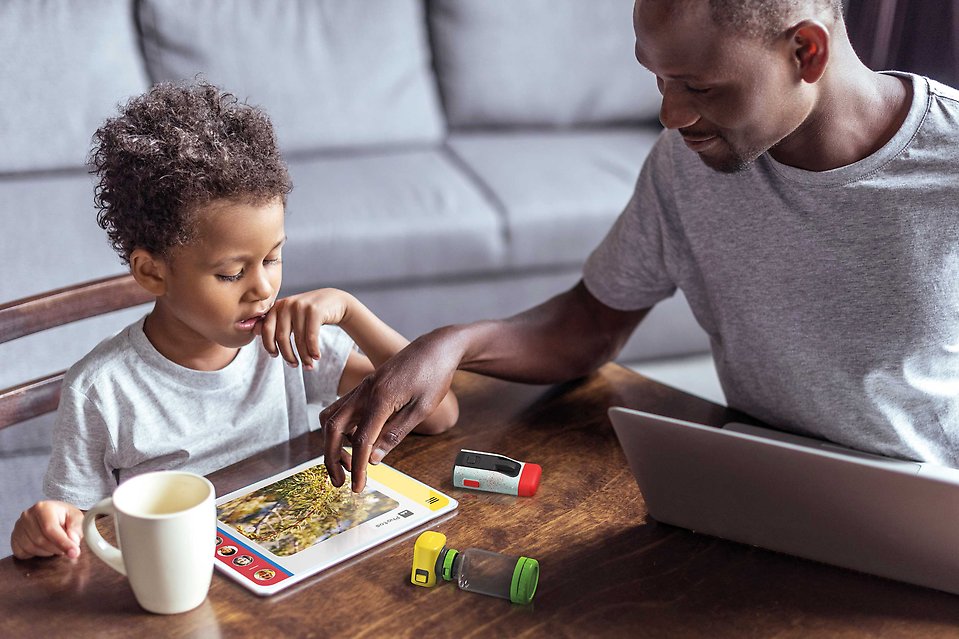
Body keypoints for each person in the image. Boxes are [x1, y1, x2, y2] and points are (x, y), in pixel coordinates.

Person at [321, 0, 959, 493]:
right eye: (657, 80)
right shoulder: (687, 166)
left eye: (698, 87)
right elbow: (593, 321)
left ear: (806, 52)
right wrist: (452, 343)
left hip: (925, 526)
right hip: (770, 496)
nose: (671, 115)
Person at [10, 82, 458, 560]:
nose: (263, 289)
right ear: (152, 272)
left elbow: (439, 412)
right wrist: (39, 532)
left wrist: (350, 311)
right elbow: (74, 534)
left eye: (273, 258)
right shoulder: (101, 391)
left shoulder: (287, 340)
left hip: (288, 562)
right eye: (230, 273)